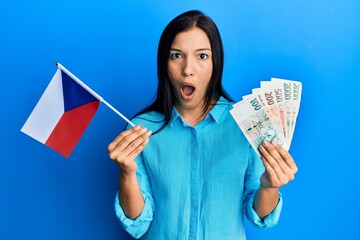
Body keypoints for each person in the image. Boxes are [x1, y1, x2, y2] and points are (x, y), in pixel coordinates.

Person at [108, 10, 298, 240]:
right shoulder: (140, 130)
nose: (188, 69)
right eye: (176, 55)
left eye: (202, 56)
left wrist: (269, 186)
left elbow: (259, 217)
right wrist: (127, 173)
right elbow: (138, 222)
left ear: (215, 63)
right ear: (164, 63)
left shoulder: (246, 123)